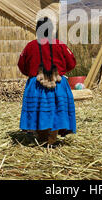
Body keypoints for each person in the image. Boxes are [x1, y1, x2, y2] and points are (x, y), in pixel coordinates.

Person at [18, 17, 77, 146]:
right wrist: (61, 71)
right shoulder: (60, 45)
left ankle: (43, 139)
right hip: (58, 84)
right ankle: (51, 139)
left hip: (36, 85)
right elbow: (71, 62)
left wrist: (32, 74)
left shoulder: (30, 46)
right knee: (56, 111)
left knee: (40, 111)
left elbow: (22, 65)